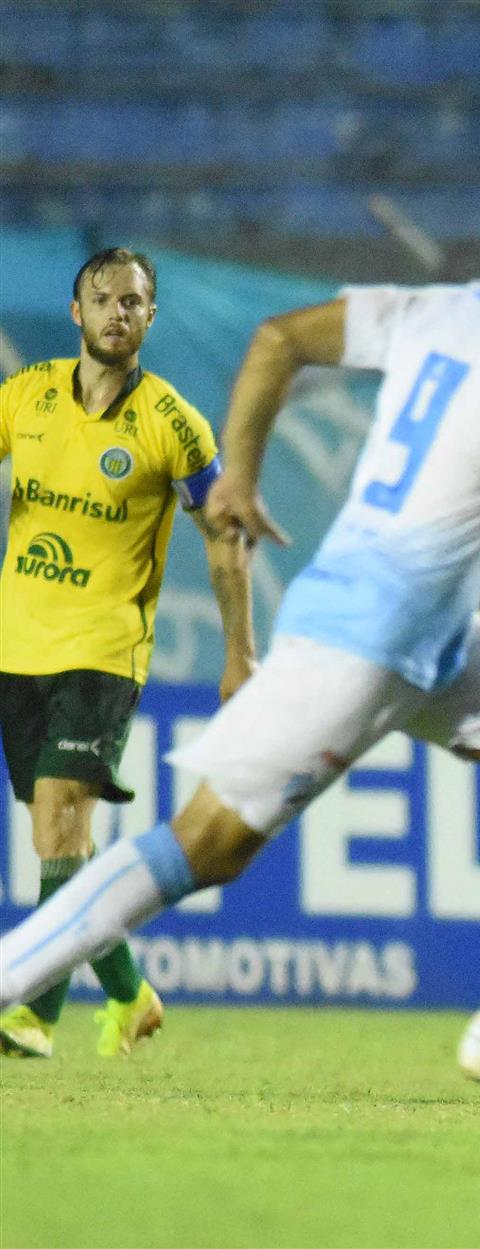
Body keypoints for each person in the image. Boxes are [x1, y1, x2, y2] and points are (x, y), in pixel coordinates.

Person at [0, 151, 480, 1104]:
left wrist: (237, 475)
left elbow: (279, 338)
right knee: (207, 845)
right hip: (370, 631)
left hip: (434, 630)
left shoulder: (437, 307)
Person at [0, 248, 257, 1061]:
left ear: (152, 317)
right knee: (61, 844)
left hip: (106, 650)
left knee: (59, 820)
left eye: (134, 300)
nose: (118, 310)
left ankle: (32, 1017)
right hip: (18, 644)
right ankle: (131, 991)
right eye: (103, 297)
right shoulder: (27, 395)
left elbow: (224, 541)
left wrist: (239, 653)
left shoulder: (175, 424)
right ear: (76, 312)